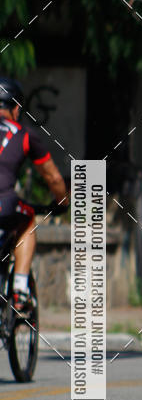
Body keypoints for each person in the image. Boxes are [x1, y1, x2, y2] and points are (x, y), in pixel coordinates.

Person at [0, 78, 69, 313]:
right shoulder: (24, 135)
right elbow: (53, 178)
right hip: (4, 206)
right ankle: (20, 289)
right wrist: (62, 202)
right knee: (27, 217)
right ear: (16, 108)